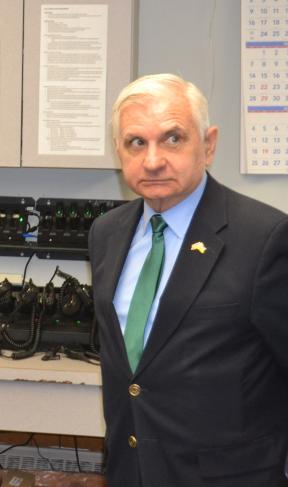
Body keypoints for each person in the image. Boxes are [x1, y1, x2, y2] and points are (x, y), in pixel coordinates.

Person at [89, 73, 288, 486]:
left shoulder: (264, 237)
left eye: (173, 138)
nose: (153, 160)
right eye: (136, 142)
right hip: (131, 472)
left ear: (209, 145)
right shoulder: (106, 233)